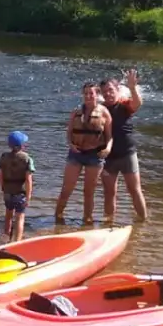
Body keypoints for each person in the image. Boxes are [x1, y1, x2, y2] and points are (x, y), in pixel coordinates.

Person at [54, 81, 113, 224]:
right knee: (67, 188)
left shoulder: (104, 112)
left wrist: (108, 148)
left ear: (97, 95)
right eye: (85, 93)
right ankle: (57, 216)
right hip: (76, 154)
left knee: (89, 191)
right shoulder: (76, 112)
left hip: (95, 156)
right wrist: (70, 145)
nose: (88, 96)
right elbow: (68, 133)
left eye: (91, 93)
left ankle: (87, 219)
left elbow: (109, 136)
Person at [100, 69, 149, 223]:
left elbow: (137, 103)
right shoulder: (99, 109)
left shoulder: (124, 105)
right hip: (108, 157)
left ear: (117, 90)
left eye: (110, 90)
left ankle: (143, 222)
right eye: (104, 92)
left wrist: (133, 88)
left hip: (128, 154)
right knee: (109, 192)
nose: (108, 94)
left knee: (134, 190)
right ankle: (109, 224)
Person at [0, 131, 35, 242]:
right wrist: (28, 196)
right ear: (22, 145)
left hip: (8, 192)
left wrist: (3, 188)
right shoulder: (27, 159)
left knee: (8, 215)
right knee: (20, 217)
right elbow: (28, 180)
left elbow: (0, 176)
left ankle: (6, 236)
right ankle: (17, 241)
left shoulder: (4, 157)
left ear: (9, 145)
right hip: (20, 193)